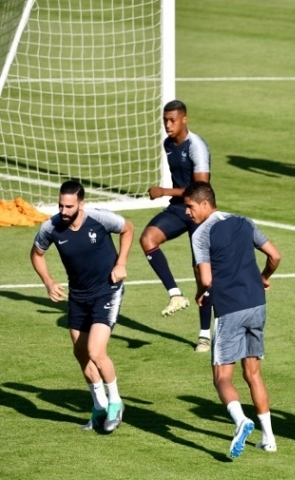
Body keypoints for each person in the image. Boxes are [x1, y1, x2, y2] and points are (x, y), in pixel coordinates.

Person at [183, 181, 281, 458]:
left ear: (205, 203)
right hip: (257, 305)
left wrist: (201, 294)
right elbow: (275, 255)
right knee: (253, 374)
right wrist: (264, 277)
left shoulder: (201, 234)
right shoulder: (244, 222)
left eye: (190, 207)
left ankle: (241, 421)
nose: (187, 213)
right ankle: (269, 439)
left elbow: (206, 278)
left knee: (221, 377)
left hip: (230, 309)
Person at [30, 180, 133, 432]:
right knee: (81, 353)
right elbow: (36, 254)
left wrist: (121, 264)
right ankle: (99, 406)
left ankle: (115, 403)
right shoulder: (50, 227)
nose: (63, 211)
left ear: (81, 204)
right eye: (60, 205)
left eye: (69, 206)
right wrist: (48, 281)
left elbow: (128, 229)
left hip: (107, 291)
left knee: (96, 352)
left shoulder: (99, 218)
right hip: (78, 295)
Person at [140, 99, 213, 352]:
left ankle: (205, 334)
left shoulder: (197, 147)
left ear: (184, 119)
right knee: (147, 238)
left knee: (201, 275)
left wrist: (163, 191)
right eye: (165, 121)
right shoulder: (168, 144)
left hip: (200, 212)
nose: (168, 125)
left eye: (172, 120)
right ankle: (175, 295)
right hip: (178, 208)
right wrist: (170, 196)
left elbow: (201, 189)